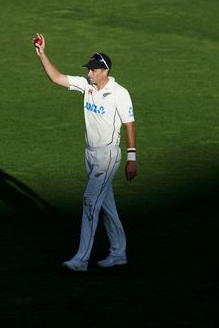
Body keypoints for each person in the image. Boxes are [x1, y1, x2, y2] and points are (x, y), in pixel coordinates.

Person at [33, 33, 137, 272]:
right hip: (90, 155)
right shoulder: (87, 86)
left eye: (92, 70)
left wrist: (132, 158)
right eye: (89, 70)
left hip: (108, 157)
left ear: (104, 71)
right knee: (106, 205)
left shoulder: (119, 93)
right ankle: (119, 253)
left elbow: (130, 124)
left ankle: (81, 259)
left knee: (90, 202)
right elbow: (57, 78)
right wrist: (42, 54)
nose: (89, 73)